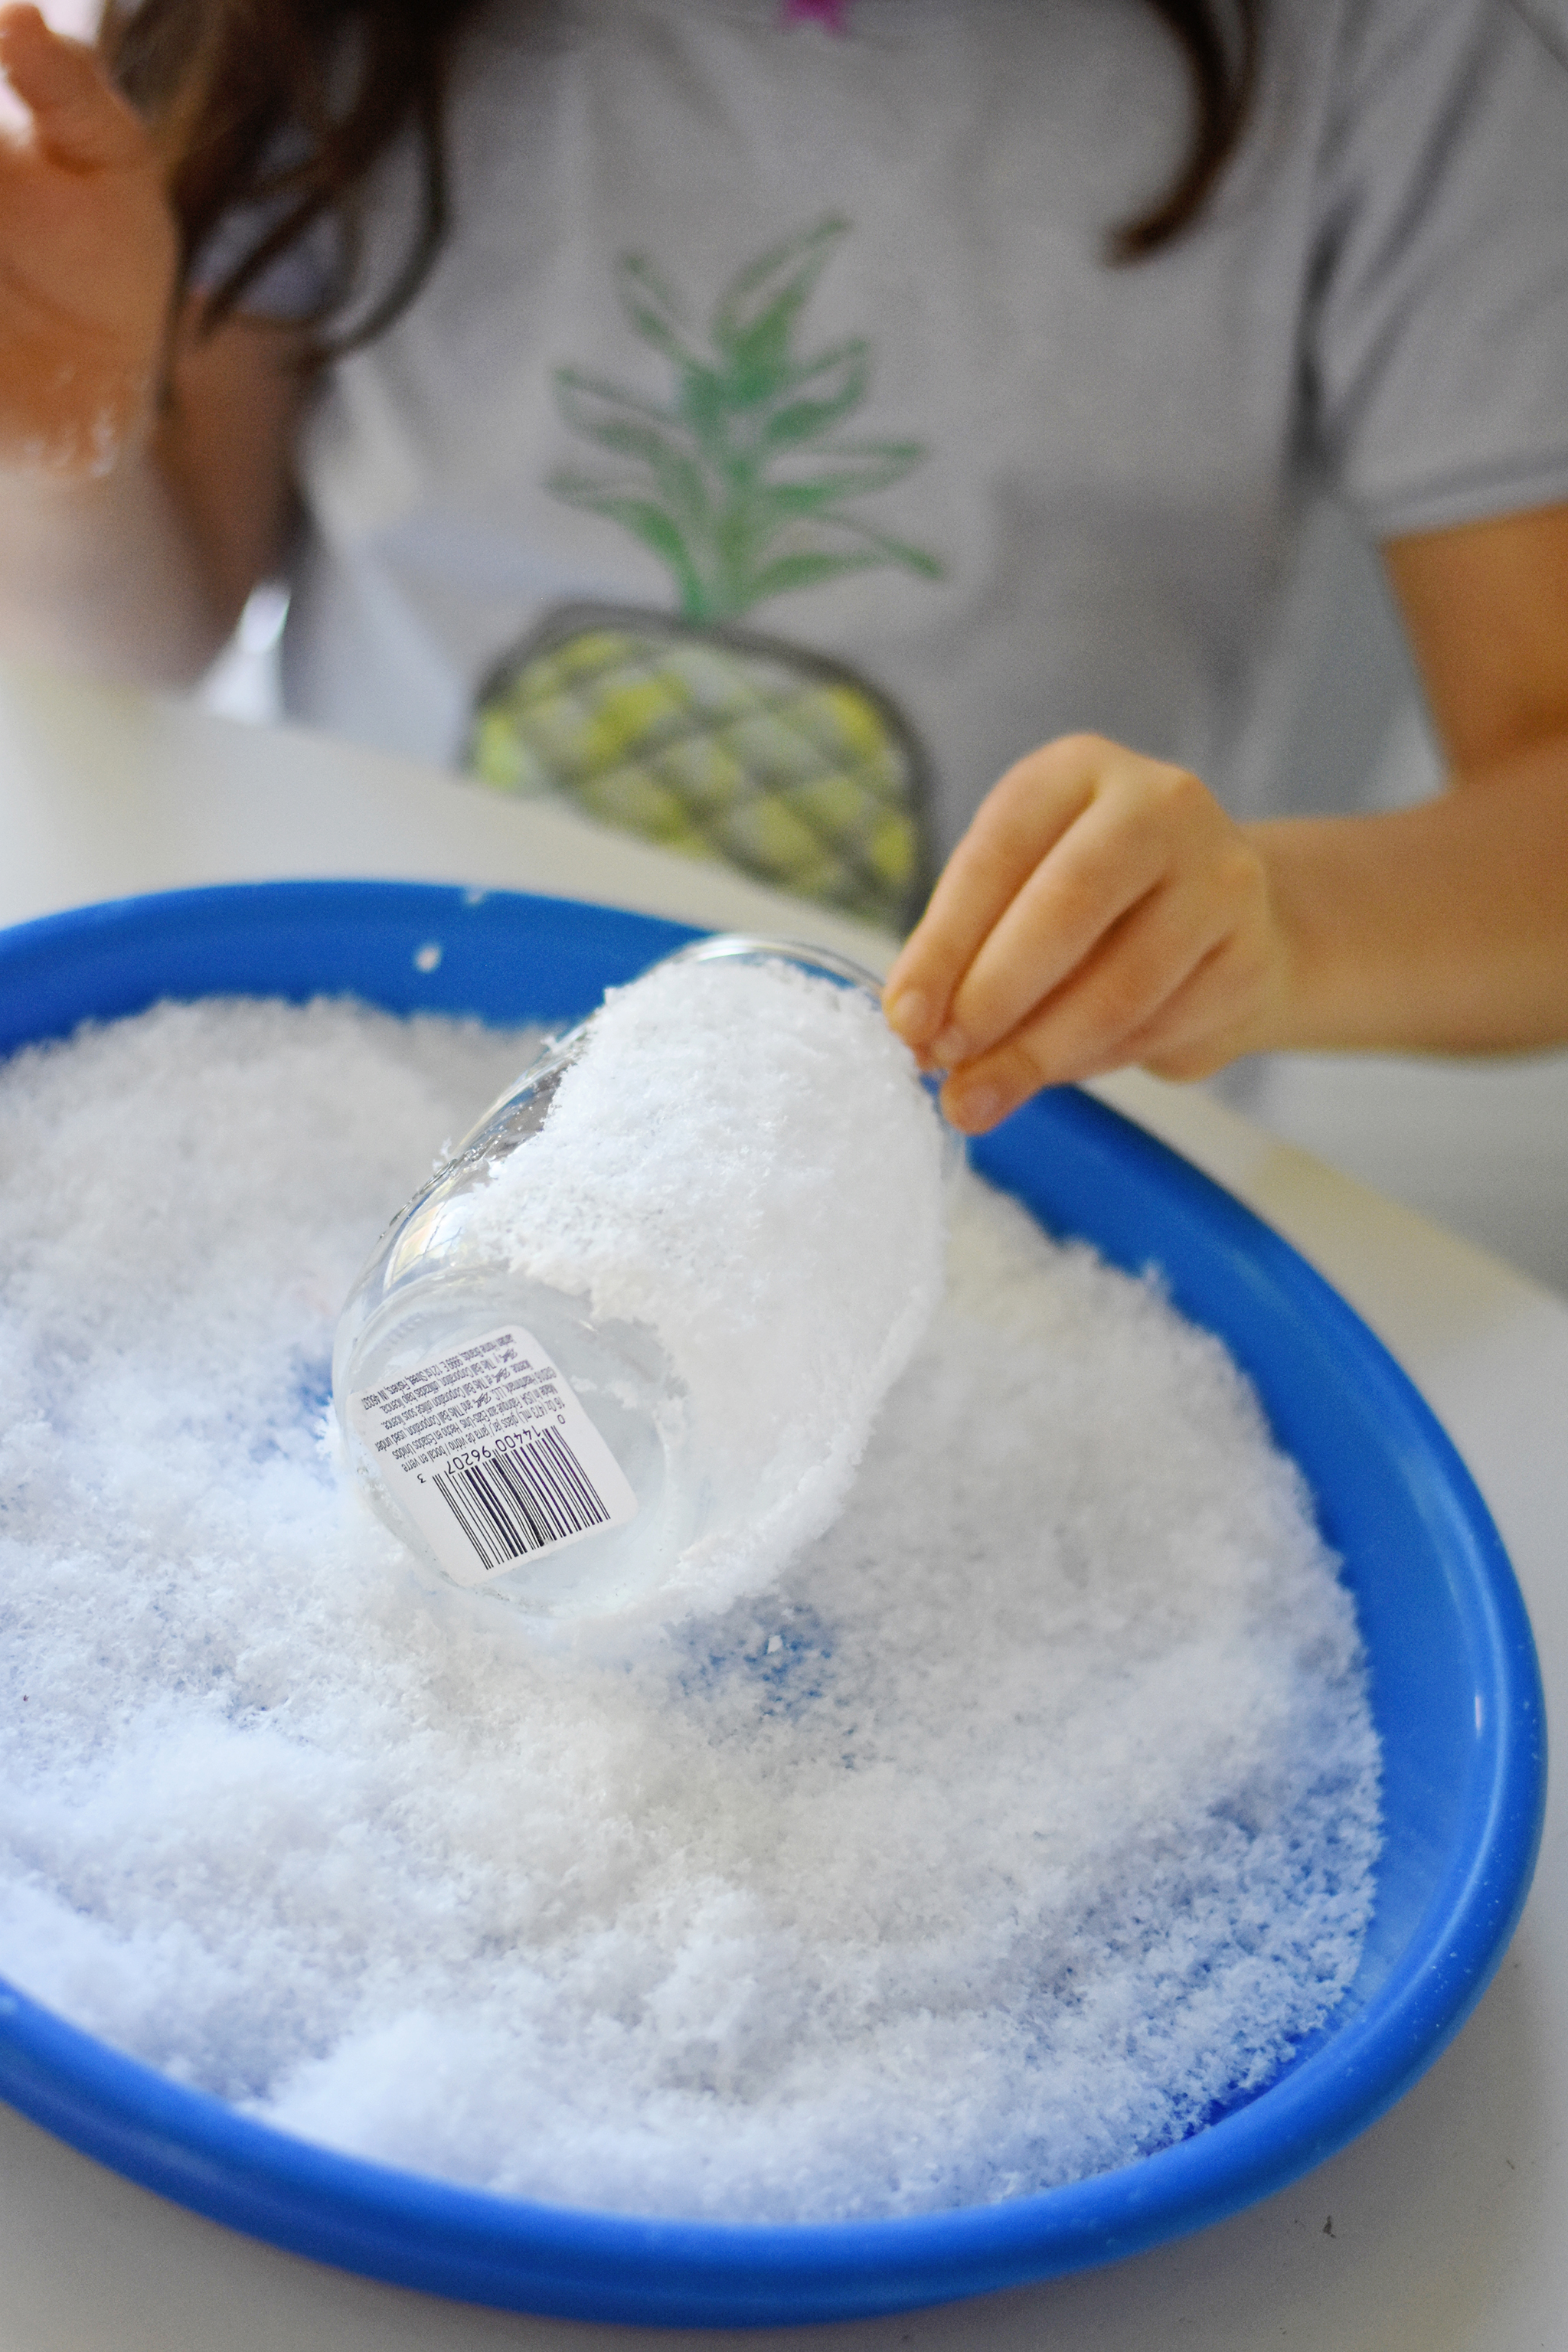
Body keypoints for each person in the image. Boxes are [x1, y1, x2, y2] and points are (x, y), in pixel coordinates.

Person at [2, 0, 1566, 1135]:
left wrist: (1277, 932)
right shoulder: (301, 30)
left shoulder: (1402, 55)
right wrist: (62, 413)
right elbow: (141, 636)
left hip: (995, 1149)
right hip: (359, 1048)